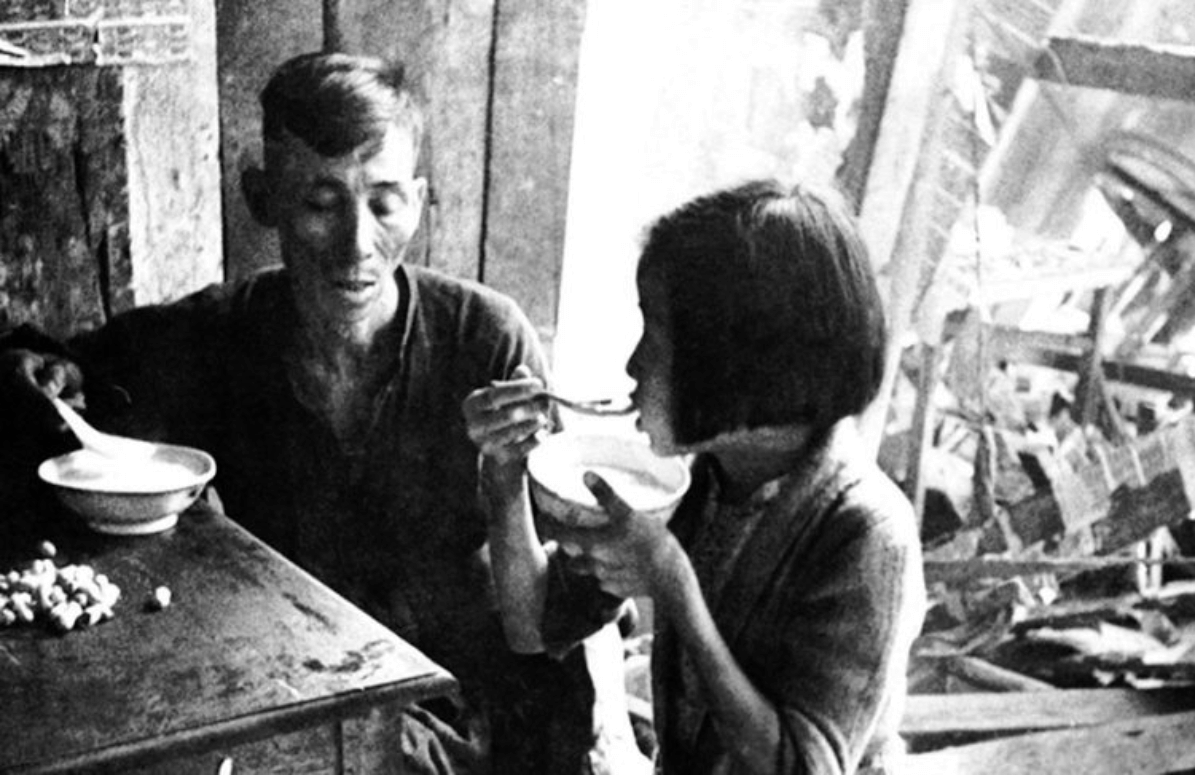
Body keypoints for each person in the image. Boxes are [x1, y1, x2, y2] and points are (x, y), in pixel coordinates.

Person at [0, 51, 639, 775]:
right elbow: (57, 367)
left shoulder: (485, 339)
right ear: (263, 197)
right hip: (298, 702)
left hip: (464, 707)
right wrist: (40, 370)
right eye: (320, 203)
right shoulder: (212, 336)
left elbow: (574, 593)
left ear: (419, 200)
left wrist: (610, 734)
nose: (357, 243)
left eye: (384, 202)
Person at [546, 180, 927, 773]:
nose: (633, 364)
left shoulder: (869, 534)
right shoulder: (709, 481)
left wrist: (674, 583)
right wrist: (503, 475)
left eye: (656, 335)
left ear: (734, 363)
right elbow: (539, 626)